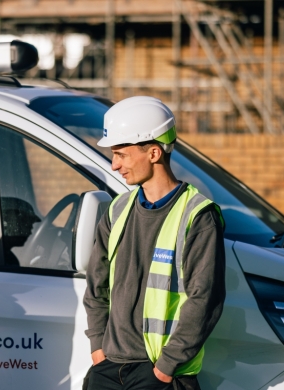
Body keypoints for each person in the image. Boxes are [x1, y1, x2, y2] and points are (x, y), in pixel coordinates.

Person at [83, 96, 226, 390]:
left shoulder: (197, 216)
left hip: (159, 376)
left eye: (121, 154)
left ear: (153, 153)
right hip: (108, 368)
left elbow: (204, 300)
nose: (114, 165)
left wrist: (165, 368)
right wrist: (99, 347)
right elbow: (96, 286)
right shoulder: (116, 210)